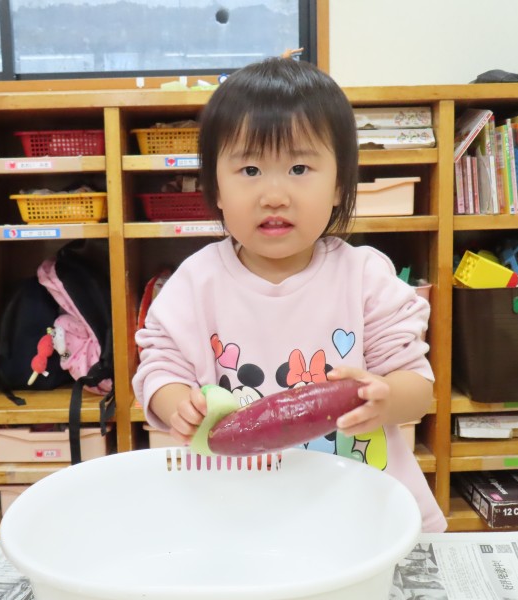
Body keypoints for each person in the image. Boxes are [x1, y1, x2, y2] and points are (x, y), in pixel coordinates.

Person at [132, 56, 446, 533]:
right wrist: (178, 404)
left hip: (354, 504)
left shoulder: (364, 276)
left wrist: (385, 398)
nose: (274, 195)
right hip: (240, 509)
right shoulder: (195, 283)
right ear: (215, 188)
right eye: (250, 169)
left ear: (339, 184)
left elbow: (417, 388)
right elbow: (159, 367)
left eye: (299, 168)